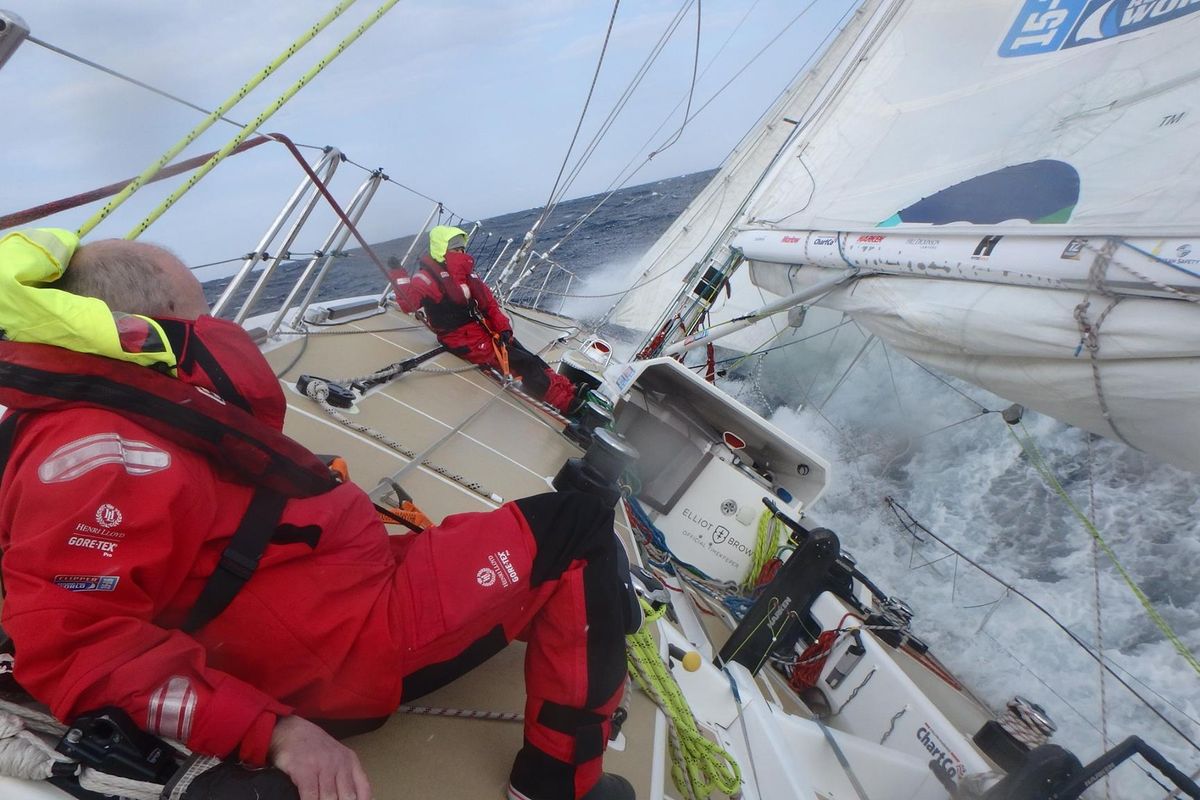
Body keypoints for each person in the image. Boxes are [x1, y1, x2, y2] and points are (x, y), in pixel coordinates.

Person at [0, 229, 635, 800]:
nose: (215, 327)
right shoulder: (106, 455)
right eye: (201, 312)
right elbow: (80, 649)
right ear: (158, 321)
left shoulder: (105, 404)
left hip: (322, 589)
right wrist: (275, 732)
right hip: (343, 650)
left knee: (524, 557)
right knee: (575, 531)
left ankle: (569, 619)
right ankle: (559, 783)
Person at [390, 225, 581, 415]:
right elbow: (409, 304)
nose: (460, 252)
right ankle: (565, 404)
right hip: (462, 339)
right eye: (455, 249)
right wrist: (398, 274)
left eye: (462, 248)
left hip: (484, 330)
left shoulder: (466, 275)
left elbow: (489, 304)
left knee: (531, 358)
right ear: (442, 249)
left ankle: (567, 390)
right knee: (522, 364)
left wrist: (503, 328)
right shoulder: (426, 279)